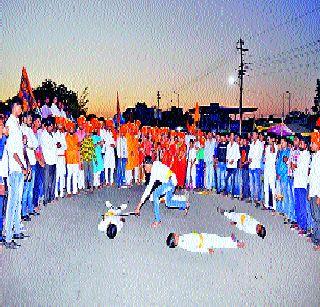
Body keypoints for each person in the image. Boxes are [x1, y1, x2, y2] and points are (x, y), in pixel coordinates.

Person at [134, 156, 189, 228]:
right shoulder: (155, 165)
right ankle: (185, 204)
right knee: (168, 203)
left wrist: (138, 206)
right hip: (171, 181)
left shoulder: (154, 170)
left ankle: (157, 220)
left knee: (155, 194)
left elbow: (148, 189)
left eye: (145, 166)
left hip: (170, 182)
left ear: (149, 164)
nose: (145, 168)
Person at [4, 100, 27, 249]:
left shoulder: (17, 123)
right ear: (14, 107)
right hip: (13, 168)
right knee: (12, 203)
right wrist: (21, 165)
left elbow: (19, 147)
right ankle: (8, 237)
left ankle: (17, 230)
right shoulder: (10, 123)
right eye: (19, 107)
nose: (21, 109)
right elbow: (12, 151)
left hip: (19, 167)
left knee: (17, 200)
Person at [21, 112, 38, 220]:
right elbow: (25, 146)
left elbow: (36, 144)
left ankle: (30, 209)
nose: (30, 119)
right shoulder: (22, 129)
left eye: (31, 118)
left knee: (30, 188)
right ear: (24, 119)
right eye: (29, 118)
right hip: (27, 161)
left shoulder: (30, 129)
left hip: (33, 160)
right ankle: (23, 212)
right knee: (26, 188)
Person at [293, 139, 311, 236]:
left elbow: (302, 169)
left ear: (306, 145)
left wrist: (294, 166)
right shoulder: (300, 154)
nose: (300, 144)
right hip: (297, 182)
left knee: (303, 206)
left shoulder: (307, 155)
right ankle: (299, 223)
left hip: (302, 183)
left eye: (302, 143)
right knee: (298, 205)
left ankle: (304, 227)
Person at [166, 232, 245, 253]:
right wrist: (206, 250)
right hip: (204, 243)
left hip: (203, 237)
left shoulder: (181, 238)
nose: (176, 234)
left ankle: (230, 239)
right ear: (175, 242)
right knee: (220, 243)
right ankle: (236, 244)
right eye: (175, 235)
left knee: (218, 238)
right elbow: (195, 249)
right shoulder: (183, 244)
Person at [40, 118, 57, 206]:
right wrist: (55, 144)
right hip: (48, 160)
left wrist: (56, 144)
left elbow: (56, 144)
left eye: (52, 125)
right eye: (50, 126)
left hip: (54, 160)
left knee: (53, 180)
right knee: (47, 180)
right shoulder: (44, 135)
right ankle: (46, 199)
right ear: (46, 126)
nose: (51, 127)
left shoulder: (53, 134)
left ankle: (51, 196)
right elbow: (49, 146)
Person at [309, 141, 320, 251]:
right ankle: (315, 237)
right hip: (312, 191)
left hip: (317, 192)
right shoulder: (314, 156)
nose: (311, 145)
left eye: (313, 143)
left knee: (318, 217)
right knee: (314, 215)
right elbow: (312, 176)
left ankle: (318, 240)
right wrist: (309, 192)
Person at [248, 131, 264, 205]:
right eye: (252, 135)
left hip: (257, 166)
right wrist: (249, 159)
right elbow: (250, 153)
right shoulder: (251, 144)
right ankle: (252, 197)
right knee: (251, 183)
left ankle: (257, 198)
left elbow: (259, 156)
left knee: (257, 183)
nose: (253, 136)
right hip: (251, 165)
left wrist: (252, 159)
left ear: (257, 135)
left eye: (254, 135)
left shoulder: (260, 144)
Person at [65, 122, 80, 196]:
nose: (71, 129)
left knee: (75, 175)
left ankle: (75, 190)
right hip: (69, 159)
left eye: (73, 128)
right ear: (68, 129)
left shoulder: (76, 136)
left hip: (76, 158)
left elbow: (78, 146)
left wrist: (76, 147)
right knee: (69, 176)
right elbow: (70, 147)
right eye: (70, 128)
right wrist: (76, 146)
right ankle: (68, 191)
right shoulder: (66, 137)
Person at [80, 124, 96, 193]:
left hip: (90, 159)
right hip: (85, 160)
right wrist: (81, 161)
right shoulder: (83, 141)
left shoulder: (91, 140)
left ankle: (91, 187)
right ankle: (86, 187)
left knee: (91, 173)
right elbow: (81, 151)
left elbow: (93, 150)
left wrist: (95, 160)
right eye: (87, 132)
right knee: (85, 174)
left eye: (89, 132)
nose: (88, 134)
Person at [263, 137, 278, 210]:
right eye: (268, 139)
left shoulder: (275, 146)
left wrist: (272, 144)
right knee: (265, 186)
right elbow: (265, 157)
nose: (268, 140)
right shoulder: (267, 147)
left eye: (269, 138)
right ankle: (266, 204)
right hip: (266, 169)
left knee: (272, 187)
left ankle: (274, 206)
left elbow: (273, 152)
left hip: (272, 170)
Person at [54, 118, 67, 199]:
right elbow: (54, 145)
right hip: (56, 157)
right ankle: (55, 193)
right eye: (59, 124)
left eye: (61, 124)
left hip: (62, 157)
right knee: (57, 176)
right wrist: (58, 145)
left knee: (62, 175)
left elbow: (65, 146)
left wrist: (61, 145)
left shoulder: (63, 135)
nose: (60, 126)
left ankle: (62, 192)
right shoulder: (54, 134)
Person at [225, 133, 240, 197]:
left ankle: (233, 193)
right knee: (227, 179)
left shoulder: (236, 145)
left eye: (232, 136)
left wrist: (233, 160)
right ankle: (227, 191)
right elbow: (227, 154)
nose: (231, 137)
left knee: (233, 179)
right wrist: (227, 159)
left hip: (234, 165)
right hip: (228, 165)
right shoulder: (228, 145)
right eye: (230, 136)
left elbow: (238, 155)